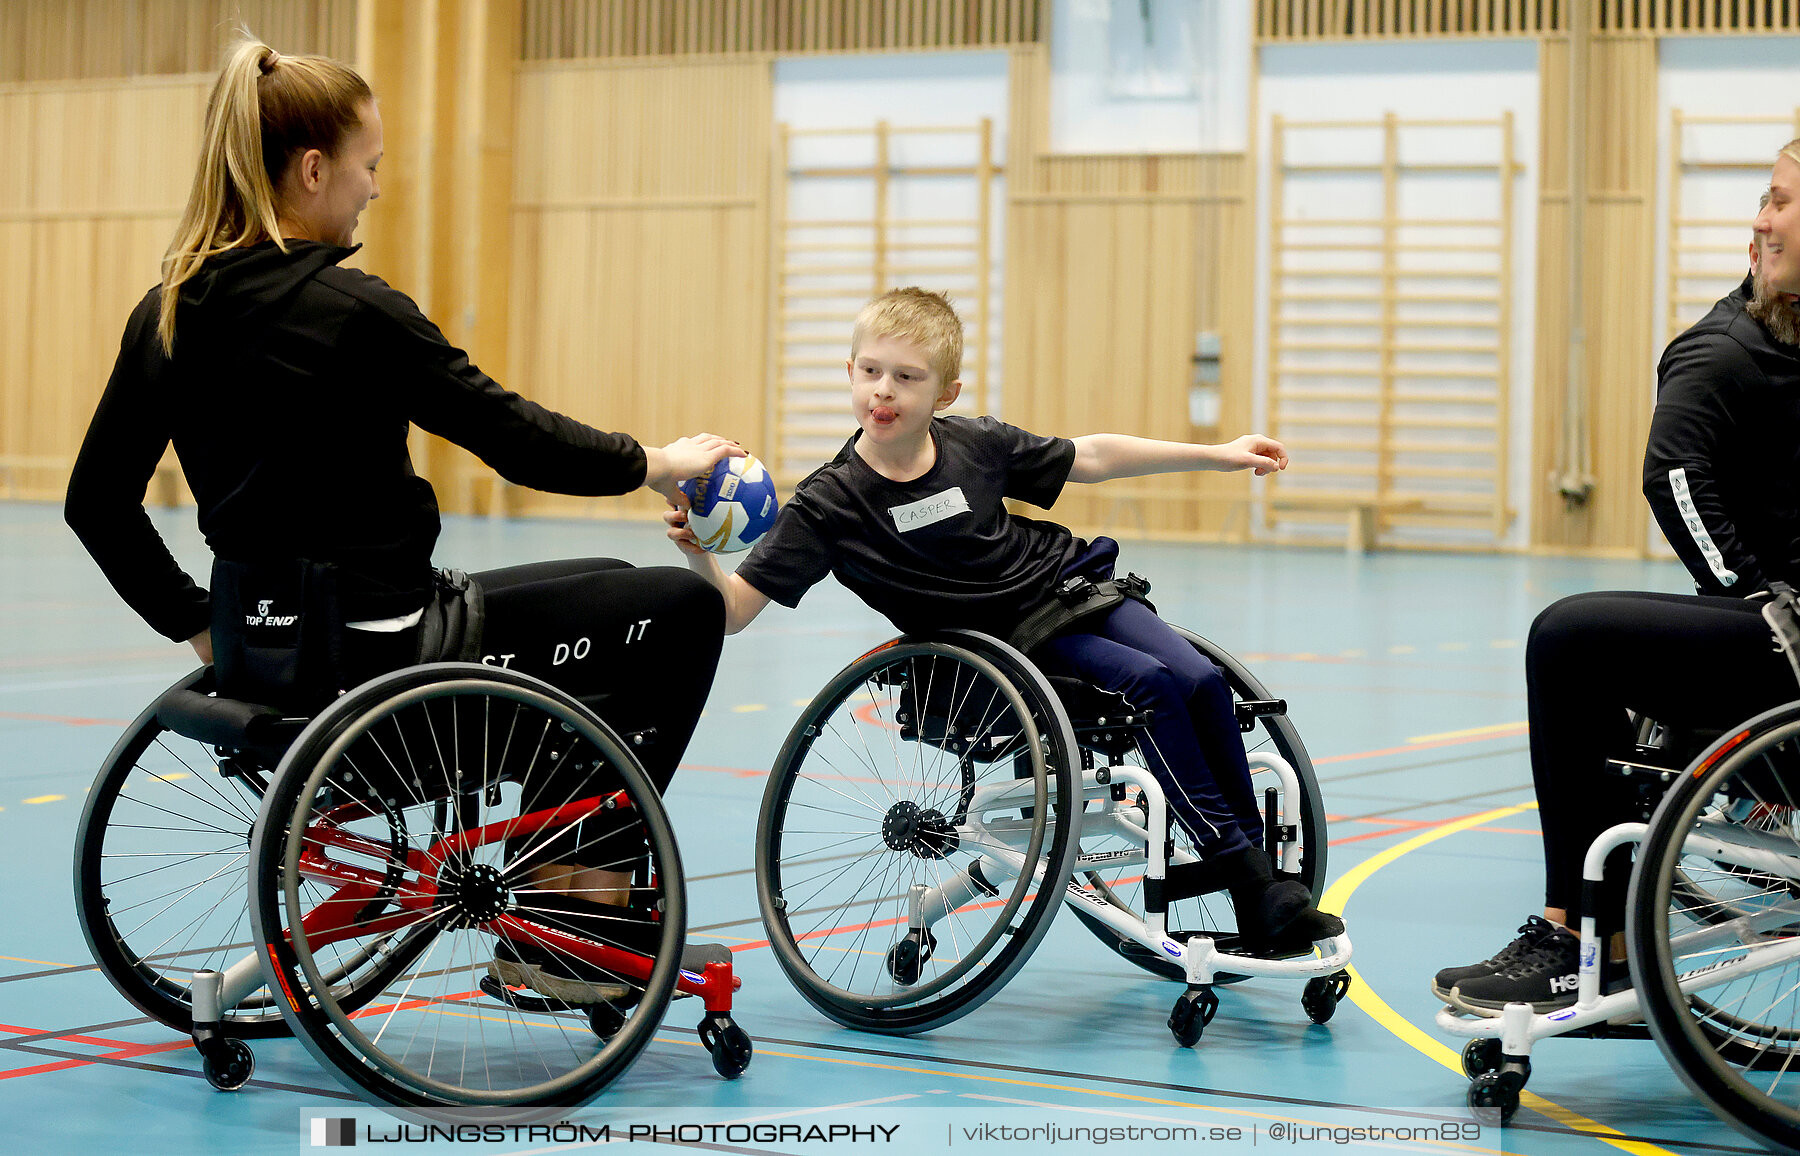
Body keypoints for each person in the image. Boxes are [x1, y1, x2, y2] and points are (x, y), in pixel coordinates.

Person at [63, 35, 737, 1004]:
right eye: (369, 166)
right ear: (311, 170)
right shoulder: (350, 308)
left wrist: (196, 622)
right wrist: (658, 462)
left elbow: (96, 503)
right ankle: (570, 902)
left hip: (271, 659)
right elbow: (517, 440)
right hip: (386, 662)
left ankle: (562, 888)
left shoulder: (167, 308)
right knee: (674, 607)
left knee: (599, 578)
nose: (374, 189)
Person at [666, 286, 1341, 944]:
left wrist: (1218, 455)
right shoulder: (828, 505)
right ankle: (1249, 880)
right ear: (850, 373)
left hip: (1071, 586)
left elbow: (1095, 455)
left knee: (1198, 677)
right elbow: (729, 612)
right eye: (871, 372)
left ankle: (1261, 880)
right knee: (1150, 687)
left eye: (907, 377)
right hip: (1003, 645)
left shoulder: (976, 445)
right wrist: (698, 551)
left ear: (945, 394)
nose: (884, 390)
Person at [1432, 145, 1800, 1015]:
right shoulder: (1724, 349)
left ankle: (1579, 933)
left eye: (1781, 203)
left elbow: (1672, 480)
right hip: (1784, 628)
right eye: (1763, 200)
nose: (1759, 219)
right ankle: (1597, 930)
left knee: (1572, 638)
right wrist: (1753, 599)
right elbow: (1676, 477)